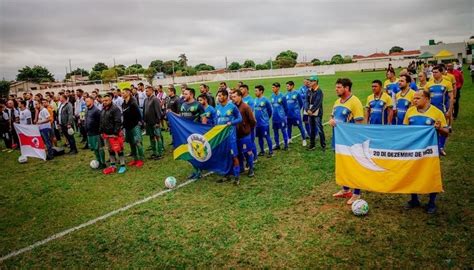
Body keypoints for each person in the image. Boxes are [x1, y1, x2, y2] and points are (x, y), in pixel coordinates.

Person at [403, 90, 449, 214]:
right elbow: (405, 130)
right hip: (413, 149)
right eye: (414, 98)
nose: (414, 100)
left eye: (418, 98)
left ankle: (432, 202)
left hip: (430, 151)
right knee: (412, 172)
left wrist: (439, 128)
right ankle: (414, 199)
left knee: (431, 174)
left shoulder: (437, 112)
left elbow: (447, 132)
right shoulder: (410, 111)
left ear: (427, 99)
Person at [329, 78, 365, 205]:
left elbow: (359, 123)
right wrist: (331, 121)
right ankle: (345, 190)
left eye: (339, 87)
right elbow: (332, 116)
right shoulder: (337, 101)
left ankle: (356, 193)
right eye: (336, 87)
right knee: (342, 164)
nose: (336, 89)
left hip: (350, 141)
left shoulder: (355, 102)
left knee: (354, 166)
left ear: (347, 88)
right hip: (338, 140)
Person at [424, 65, 453, 156]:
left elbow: (451, 98)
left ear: (441, 72)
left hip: (443, 109)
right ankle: (434, 147)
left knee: (443, 129)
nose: (434, 74)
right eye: (433, 72)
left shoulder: (447, 83)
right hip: (431, 111)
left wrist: (449, 111)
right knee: (433, 129)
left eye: (436, 72)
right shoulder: (429, 84)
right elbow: (425, 97)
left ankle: (441, 147)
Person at [216, 89, 242, 184]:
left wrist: (231, 122)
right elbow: (216, 120)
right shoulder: (217, 107)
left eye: (220, 96)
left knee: (234, 156)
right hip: (221, 137)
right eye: (218, 96)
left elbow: (240, 118)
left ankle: (237, 177)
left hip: (230, 137)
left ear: (226, 96)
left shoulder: (232, 107)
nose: (218, 98)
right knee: (224, 156)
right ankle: (226, 175)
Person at [232, 89, 257, 178]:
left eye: (235, 96)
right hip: (236, 135)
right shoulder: (233, 107)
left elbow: (252, 121)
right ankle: (242, 167)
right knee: (238, 153)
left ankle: (251, 168)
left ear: (240, 96)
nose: (233, 98)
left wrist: (248, 129)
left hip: (245, 135)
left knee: (247, 152)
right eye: (232, 97)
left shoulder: (246, 107)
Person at [100, 93, 126, 174]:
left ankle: (122, 165)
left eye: (106, 100)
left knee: (119, 150)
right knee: (110, 150)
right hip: (106, 134)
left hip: (114, 134)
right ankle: (113, 165)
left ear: (110, 100)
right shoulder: (103, 109)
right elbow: (101, 121)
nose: (104, 102)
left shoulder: (115, 109)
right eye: (103, 100)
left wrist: (115, 132)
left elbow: (118, 121)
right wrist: (101, 131)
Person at [122, 88, 144, 167]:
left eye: (124, 93)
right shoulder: (123, 103)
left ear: (128, 93)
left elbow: (139, 114)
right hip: (127, 127)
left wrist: (140, 123)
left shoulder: (133, 103)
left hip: (135, 126)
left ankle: (141, 159)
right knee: (131, 143)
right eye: (122, 93)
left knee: (137, 142)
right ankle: (135, 159)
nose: (122, 94)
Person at [305, 76, 326, 151]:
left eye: (311, 81)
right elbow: (306, 101)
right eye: (309, 81)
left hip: (317, 113)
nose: (309, 82)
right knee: (312, 129)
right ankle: (312, 144)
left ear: (316, 82)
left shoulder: (319, 91)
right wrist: (307, 109)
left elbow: (318, 102)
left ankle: (323, 145)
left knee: (319, 128)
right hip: (310, 112)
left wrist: (311, 110)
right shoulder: (308, 91)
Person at [85, 96, 106, 169]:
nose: (86, 102)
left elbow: (101, 122)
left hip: (96, 133)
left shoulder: (96, 111)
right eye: (85, 101)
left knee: (99, 148)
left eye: (87, 101)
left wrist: (100, 131)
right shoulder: (87, 110)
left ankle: (103, 163)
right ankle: (98, 161)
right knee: (94, 149)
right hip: (90, 132)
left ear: (92, 101)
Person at [144, 86, 164, 160]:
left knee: (158, 137)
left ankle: (160, 153)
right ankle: (154, 152)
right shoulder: (146, 100)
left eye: (147, 91)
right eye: (145, 91)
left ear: (152, 91)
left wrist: (157, 122)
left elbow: (158, 112)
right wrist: (145, 121)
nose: (146, 92)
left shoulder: (155, 99)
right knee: (151, 137)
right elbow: (144, 111)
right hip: (148, 123)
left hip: (155, 123)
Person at [285, 81, 307, 146]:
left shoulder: (297, 93)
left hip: (296, 115)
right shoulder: (286, 94)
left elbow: (301, 103)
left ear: (292, 86)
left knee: (300, 126)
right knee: (289, 127)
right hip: (288, 115)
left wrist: (297, 110)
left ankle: (304, 140)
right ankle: (289, 139)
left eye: (288, 86)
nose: (287, 87)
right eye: (286, 86)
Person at [253, 85, 273, 157]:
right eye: (255, 91)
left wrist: (267, 118)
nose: (255, 92)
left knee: (267, 136)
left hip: (264, 123)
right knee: (259, 137)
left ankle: (271, 151)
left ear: (261, 91)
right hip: (257, 123)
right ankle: (262, 151)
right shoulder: (255, 100)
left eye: (256, 91)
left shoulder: (266, 100)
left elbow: (270, 110)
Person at [240, 84, 258, 162]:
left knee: (251, 141)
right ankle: (246, 157)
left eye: (241, 89)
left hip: (249, 124)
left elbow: (252, 113)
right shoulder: (240, 99)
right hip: (242, 125)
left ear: (246, 90)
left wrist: (252, 124)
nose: (240, 90)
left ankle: (255, 157)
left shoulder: (250, 100)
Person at [270, 82, 289, 151]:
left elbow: (286, 108)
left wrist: (284, 116)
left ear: (278, 88)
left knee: (283, 131)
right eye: (272, 87)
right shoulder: (272, 96)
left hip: (281, 118)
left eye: (274, 87)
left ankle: (286, 145)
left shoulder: (282, 96)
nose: (272, 89)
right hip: (274, 118)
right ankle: (277, 145)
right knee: (275, 132)